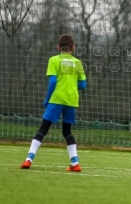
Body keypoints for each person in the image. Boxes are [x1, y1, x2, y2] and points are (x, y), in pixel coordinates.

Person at [20, 34, 87, 172]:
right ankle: (75, 163)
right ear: (73, 48)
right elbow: (83, 84)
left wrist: (47, 99)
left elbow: (52, 81)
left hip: (56, 98)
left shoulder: (53, 60)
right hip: (71, 100)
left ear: (58, 47)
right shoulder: (78, 63)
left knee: (43, 128)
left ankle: (28, 160)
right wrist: (72, 87)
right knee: (67, 131)